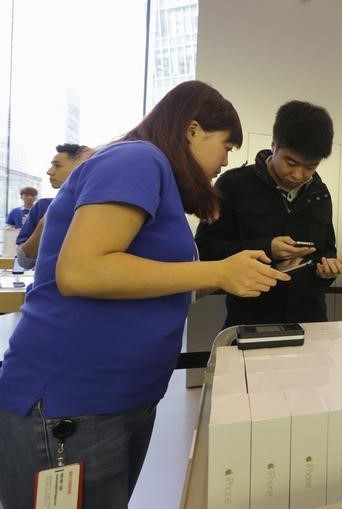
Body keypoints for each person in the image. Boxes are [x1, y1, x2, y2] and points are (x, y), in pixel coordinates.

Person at [0, 80, 289, 508]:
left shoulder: (155, 176)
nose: (225, 162)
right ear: (192, 130)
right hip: (75, 401)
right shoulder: (138, 159)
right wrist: (214, 269)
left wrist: (231, 274)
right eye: (226, 146)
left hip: (118, 399)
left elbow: (147, 280)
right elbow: (82, 271)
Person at [195, 100, 342, 327]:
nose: (298, 174)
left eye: (310, 167)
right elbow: (206, 251)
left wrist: (326, 271)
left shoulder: (319, 193)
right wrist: (267, 248)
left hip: (311, 323)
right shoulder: (234, 185)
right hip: (251, 321)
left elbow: (326, 249)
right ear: (274, 144)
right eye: (291, 162)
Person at [16, 144, 95, 269]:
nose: (49, 171)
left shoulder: (97, 207)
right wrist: (44, 223)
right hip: (44, 285)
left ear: (80, 167)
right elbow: (24, 262)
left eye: (57, 165)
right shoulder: (43, 206)